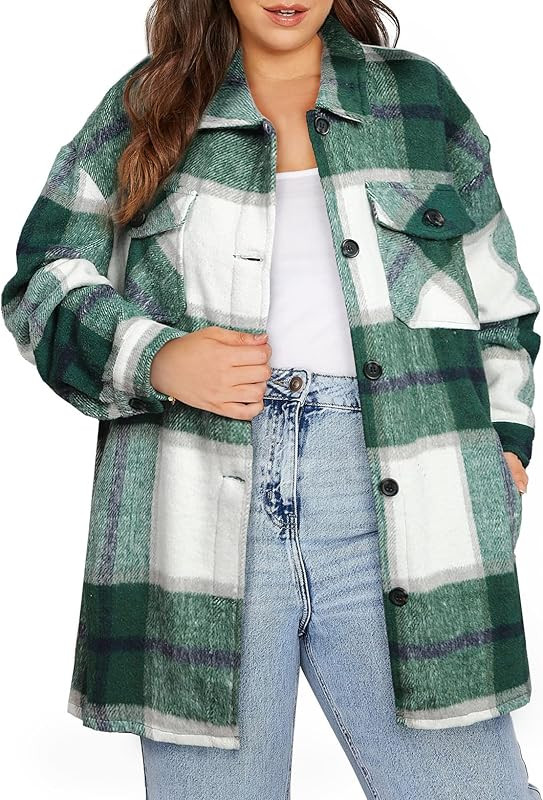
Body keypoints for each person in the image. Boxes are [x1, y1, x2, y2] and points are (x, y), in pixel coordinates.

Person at [2, 1, 541, 798]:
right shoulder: (147, 104)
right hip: (193, 504)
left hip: (401, 503)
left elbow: (500, 303)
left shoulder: (417, 99)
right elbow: (43, 280)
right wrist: (155, 358)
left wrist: (505, 448)